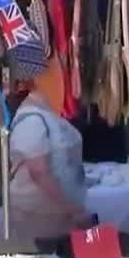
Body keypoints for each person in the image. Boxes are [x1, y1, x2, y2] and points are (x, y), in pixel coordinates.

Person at [7, 84, 93, 240]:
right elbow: (39, 172)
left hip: (57, 215)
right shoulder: (31, 120)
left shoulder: (50, 111)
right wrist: (72, 209)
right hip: (38, 217)